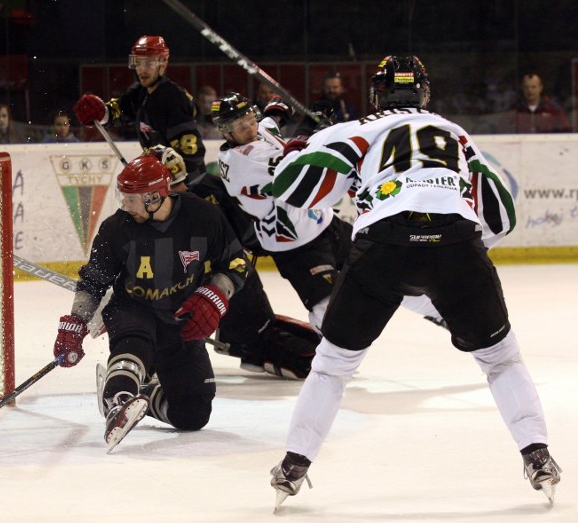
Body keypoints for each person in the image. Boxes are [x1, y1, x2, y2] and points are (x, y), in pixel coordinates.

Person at [269, 55, 560, 508]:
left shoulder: (356, 129)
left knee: (332, 365)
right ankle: (537, 454)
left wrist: (300, 149)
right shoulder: (455, 133)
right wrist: (462, 252)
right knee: (501, 359)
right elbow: (502, 215)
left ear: (377, 94)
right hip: (457, 245)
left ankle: (294, 465)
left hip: (383, 247)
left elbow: (291, 188)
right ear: (424, 94)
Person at [51, 154, 249, 452]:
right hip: (132, 309)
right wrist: (77, 320)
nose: (124, 205)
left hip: (180, 318)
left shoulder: (202, 216)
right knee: (135, 339)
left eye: (131, 199)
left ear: (154, 197)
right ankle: (117, 400)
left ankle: (144, 394)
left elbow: (236, 263)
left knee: (193, 415)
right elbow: (93, 281)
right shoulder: (116, 228)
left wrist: (215, 294)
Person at [152, 145, 322, 381]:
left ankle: (256, 346)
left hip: (233, 283)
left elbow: (241, 237)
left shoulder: (199, 201)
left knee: (267, 341)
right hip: (222, 283)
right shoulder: (194, 195)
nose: (182, 191)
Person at [214, 92, 350, 333]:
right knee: (328, 308)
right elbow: (296, 163)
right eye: (239, 125)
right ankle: (330, 360)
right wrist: (311, 126)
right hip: (296, 244)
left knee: (375, 262)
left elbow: (271, 121)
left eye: (249, 118)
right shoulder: (242, 163)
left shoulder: (256, 131)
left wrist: (278, 109)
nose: (249, 127)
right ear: (225, 131)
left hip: (324, 222)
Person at [73, 35, 207, 180]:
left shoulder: (173, 100)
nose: (142, 70)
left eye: (149, 64)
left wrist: (168, 183)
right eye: (138, 63)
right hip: (162, 183)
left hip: (187, 185)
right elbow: (119, 112)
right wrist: (101, 113)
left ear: (162, 64)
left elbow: (192, 156)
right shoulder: (139, 92)